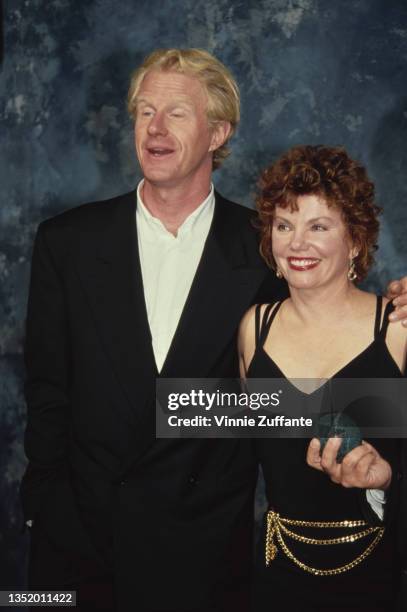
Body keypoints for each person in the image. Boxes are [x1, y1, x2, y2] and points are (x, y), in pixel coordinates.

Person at [20, 49, 407, 611]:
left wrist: (396, 301)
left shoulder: (269, 248)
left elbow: (312, 394)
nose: (154, 127)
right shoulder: (66, 240)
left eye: (176, 113)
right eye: (144, 110)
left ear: (218, 132)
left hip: (203, 561)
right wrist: (44, 509)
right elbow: (47, 390)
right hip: (76, 549)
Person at [238, 144, 406, 611]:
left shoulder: (397, 329)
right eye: (284, 225)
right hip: (276, 574)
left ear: (354, 240)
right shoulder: (255, 329)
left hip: (378, 581)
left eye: (319, 226)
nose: (296, 244)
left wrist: (388, 477)